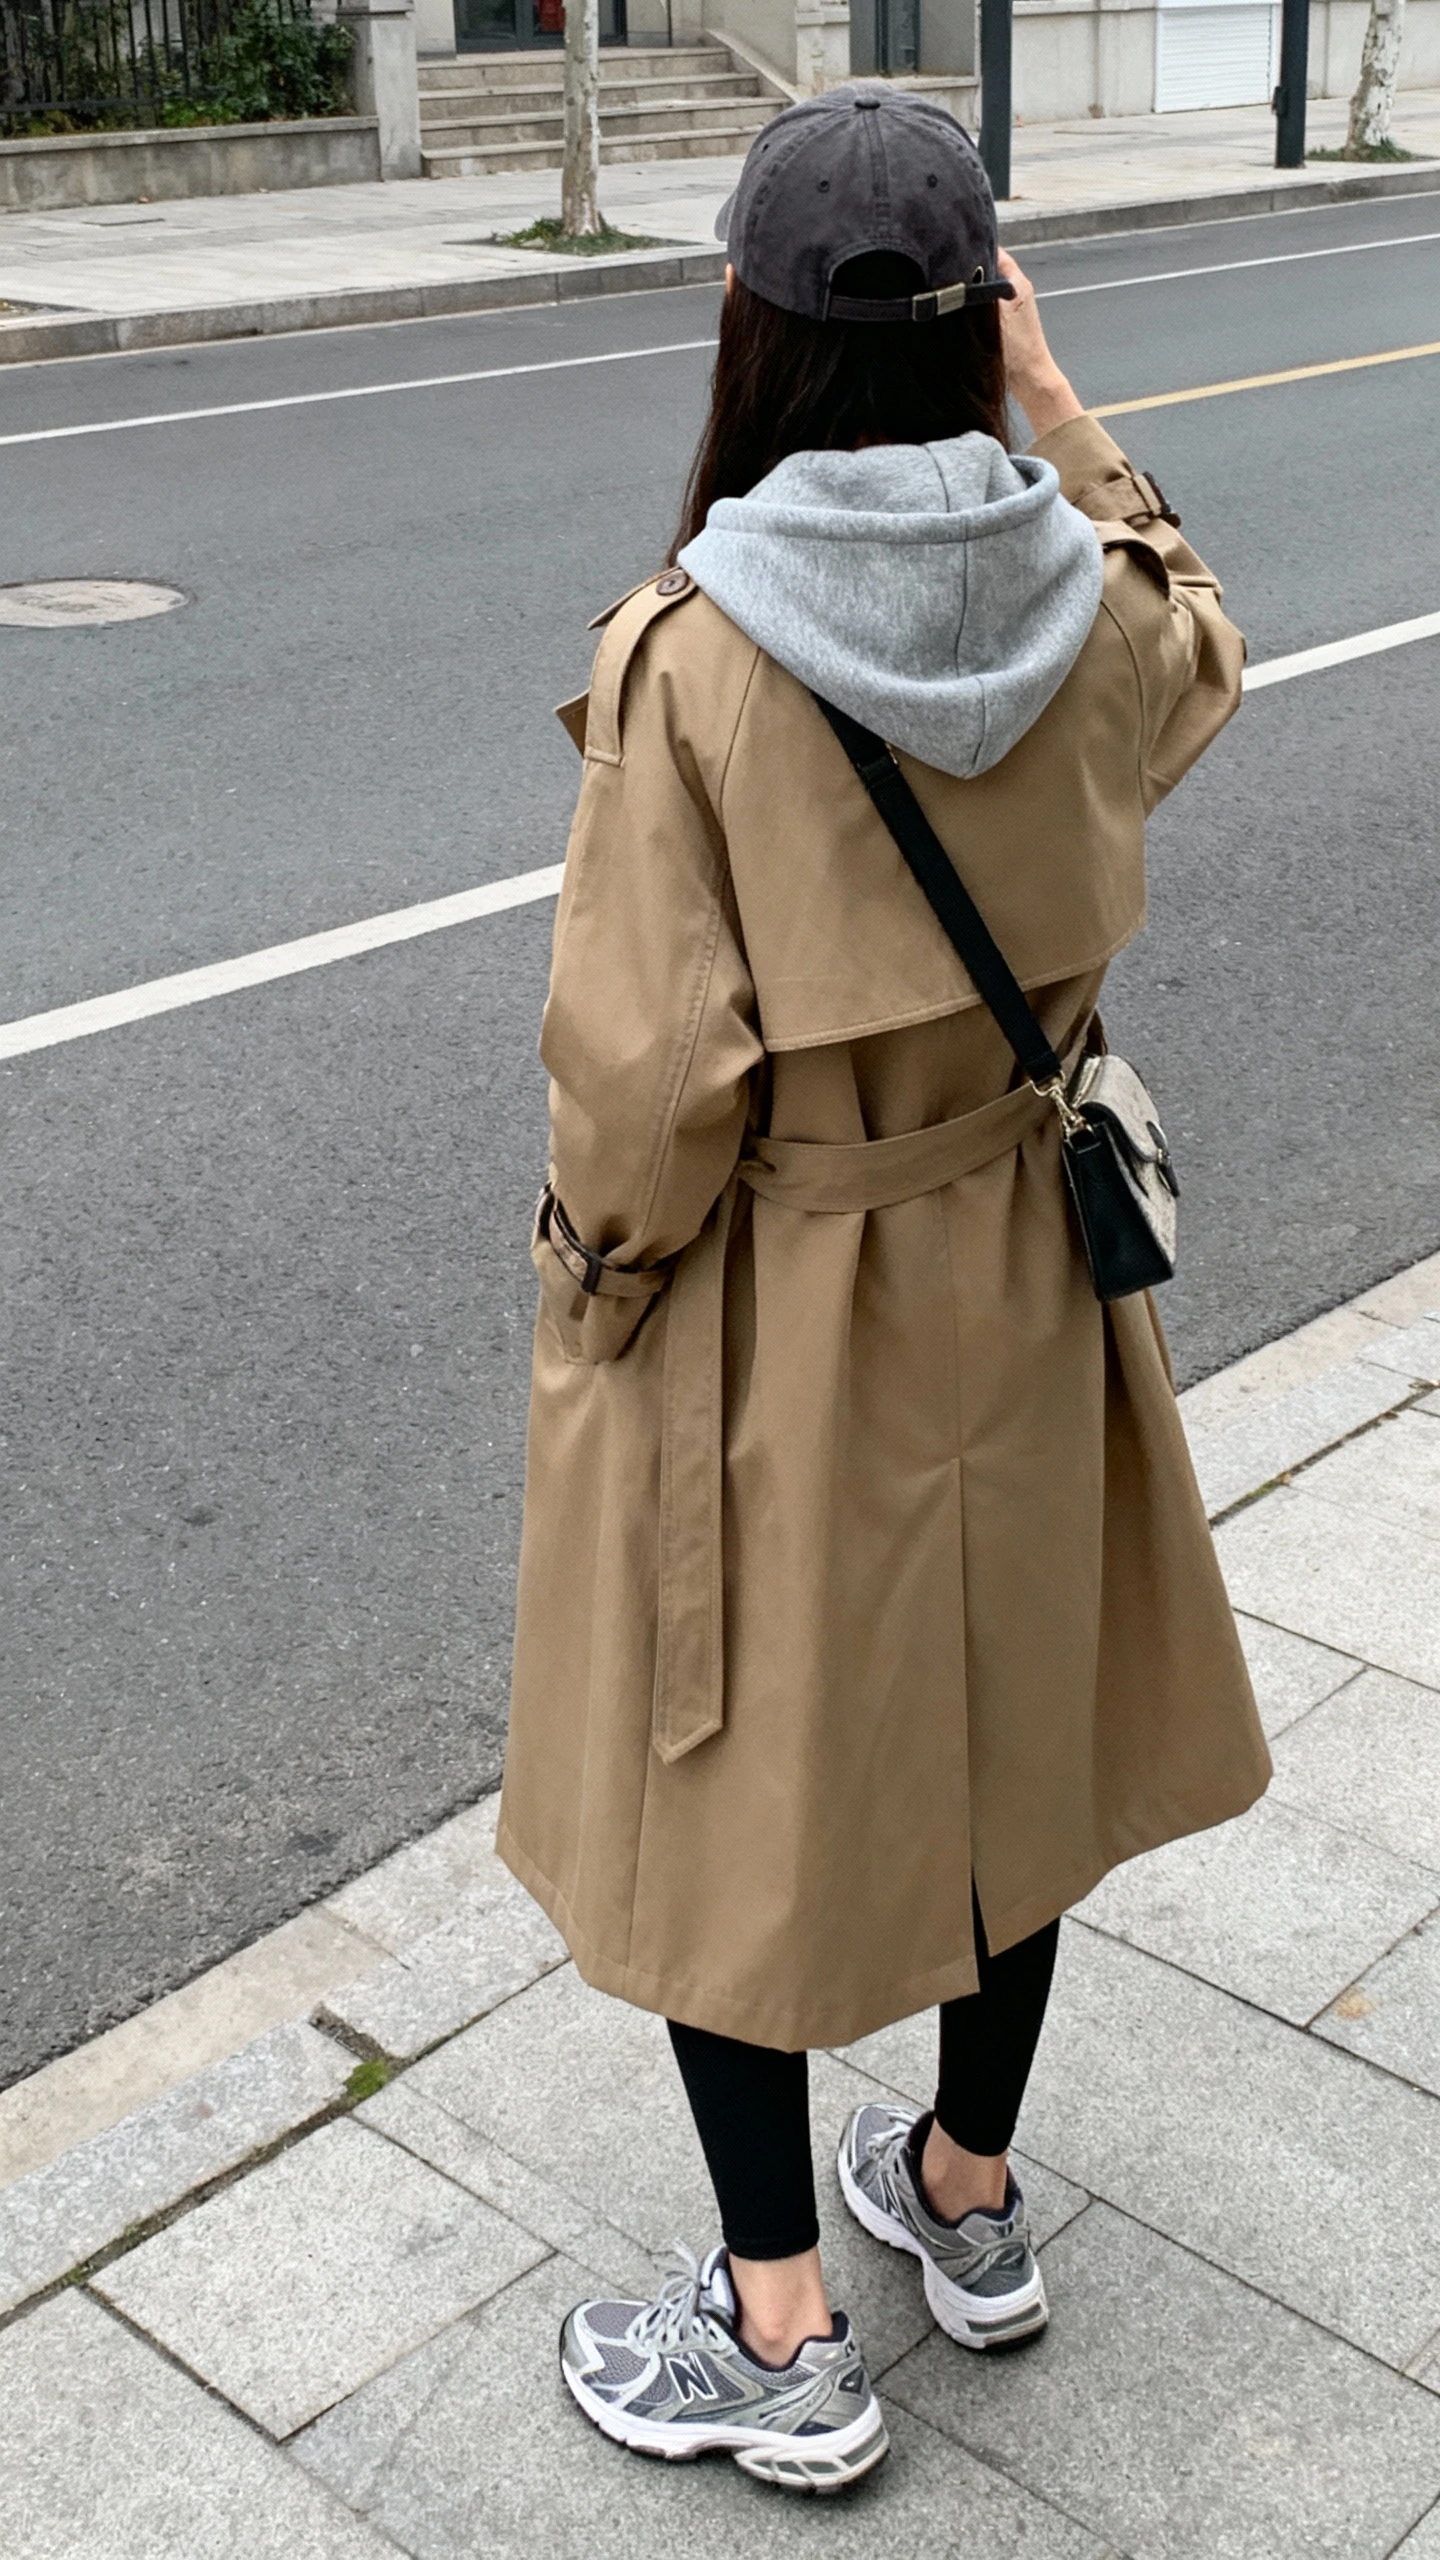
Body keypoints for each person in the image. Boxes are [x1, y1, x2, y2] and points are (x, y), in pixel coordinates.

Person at [498, 85, 1271, 2495]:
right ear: (980, 325)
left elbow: (643, 1093)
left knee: (721, 1779)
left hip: (785, 1293)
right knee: (1007, 1728)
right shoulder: (1091, 609)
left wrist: (590, 1303)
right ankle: (966, 2183)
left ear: (751, 331)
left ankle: (782, 2329)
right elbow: (1207, 643)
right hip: (1026, 1262)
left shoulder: (693, 659)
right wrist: (1064, 404)